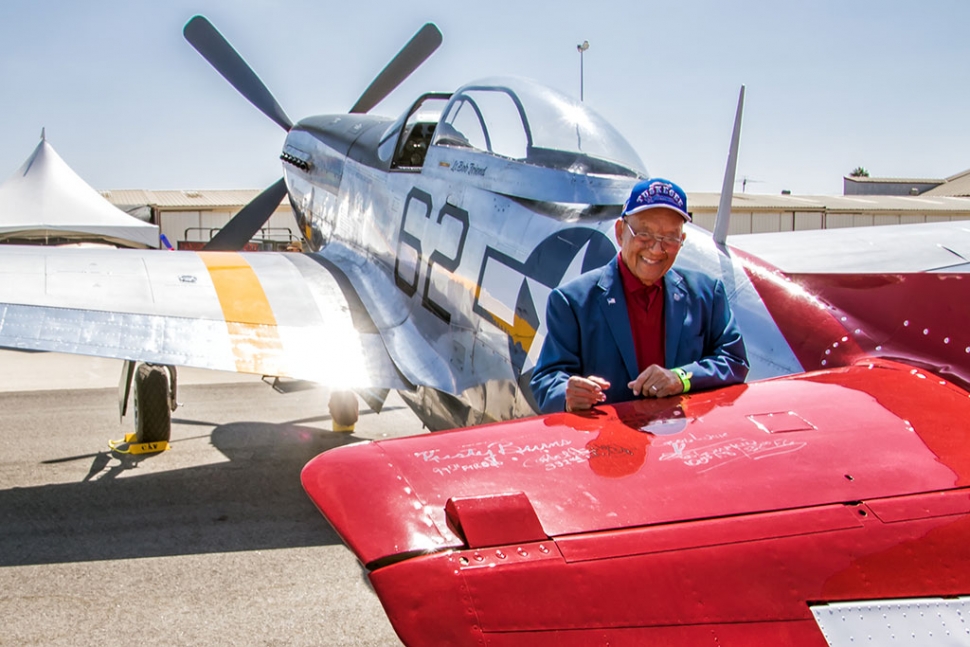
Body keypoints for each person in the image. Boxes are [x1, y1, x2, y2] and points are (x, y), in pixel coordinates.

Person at [529, 178, 748, 414]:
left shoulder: (706, 294)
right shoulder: (572, 301)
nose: (656, 249)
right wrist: (568, 394)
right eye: (644, 233)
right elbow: (547, 380)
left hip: (682, 443)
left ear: (682, 241)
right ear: (620, 232)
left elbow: (734, 361)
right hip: (606, 444)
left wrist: (681, 378)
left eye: (670, 238)